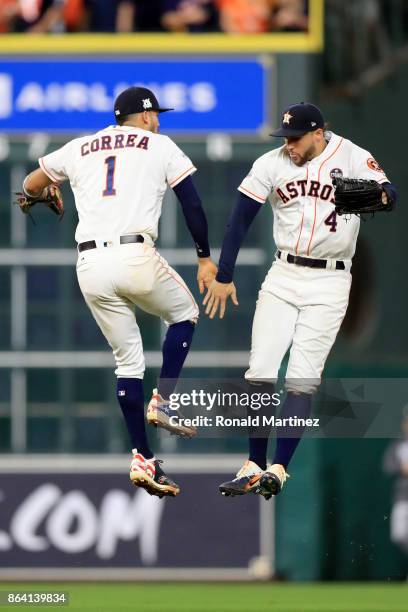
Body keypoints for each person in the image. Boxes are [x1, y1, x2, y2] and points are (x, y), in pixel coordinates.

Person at [21, 86, 217, 498]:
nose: (159, 120)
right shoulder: (159, 144)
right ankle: (163, 399)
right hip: (134, 254)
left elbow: (30, 182)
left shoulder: (80, 146)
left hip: (90, 265)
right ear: (144, 115)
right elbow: (193, 204)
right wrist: (204, 257)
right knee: (184, 315)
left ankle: (142, 457)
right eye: (156, 114)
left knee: (127, 361)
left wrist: (44, 192)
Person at [203, 102, 396, 499]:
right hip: (284, 273)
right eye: (285, 138)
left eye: (295, 138)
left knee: (302, 381)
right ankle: (254, 464)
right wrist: (224, 275)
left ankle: (279, 468)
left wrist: (377, 197)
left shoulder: (353, 155)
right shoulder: (271, 164)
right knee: (259, 372)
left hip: (331, 280)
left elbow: (390, 194)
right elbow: (240, 217)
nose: (288, 145)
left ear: (318, 133)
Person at [383, 407, 408, 558]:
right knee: (399, 536)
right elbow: (388, 467)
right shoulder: (397, 445)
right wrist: (402, 467)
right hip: (402, 498)